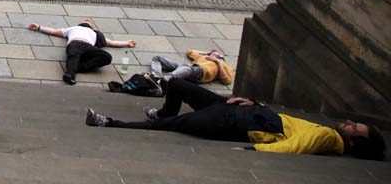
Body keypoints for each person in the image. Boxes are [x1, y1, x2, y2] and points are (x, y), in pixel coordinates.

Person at [85, 79, 385, 161]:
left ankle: (109, 122)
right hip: (242, 111)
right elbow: (290, 125)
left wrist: (253, 151)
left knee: (168, 126)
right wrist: (256, 103)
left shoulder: (330, 139)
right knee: (176, 86)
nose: (347, 122)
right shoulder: (333, 134)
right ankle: (163, 111)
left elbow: (295, 144)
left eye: (354, 128)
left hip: (232, 121)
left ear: (354, 141)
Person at [28, 19, 136, 84]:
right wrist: (126, 43)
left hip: (76, 44)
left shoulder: (80, 30)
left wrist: (39, 27)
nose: (86, 21)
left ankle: (72, 71)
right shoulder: (92, 33)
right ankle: (73, 71)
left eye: (87, 21)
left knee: (73, 57)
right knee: (105, 56)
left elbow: (54, 31)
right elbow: (111, 43)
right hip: (86, 46)